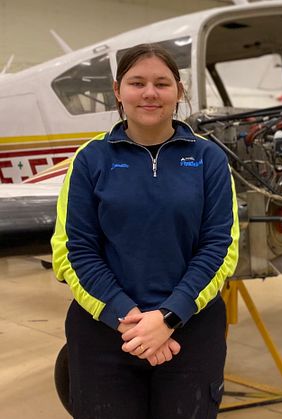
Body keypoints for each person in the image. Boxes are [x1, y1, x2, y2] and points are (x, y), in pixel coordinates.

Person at [51, 43, 239, 418]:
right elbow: (74, 251)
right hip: (105, 334)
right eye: (137, 83)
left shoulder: (208, 159)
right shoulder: (90, 159)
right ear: (118, 91)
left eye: (161, 83)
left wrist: (169, 317)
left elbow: (219, 247)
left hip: (190, 333)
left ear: (179, 92)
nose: (150, 93)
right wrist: (131, 321)